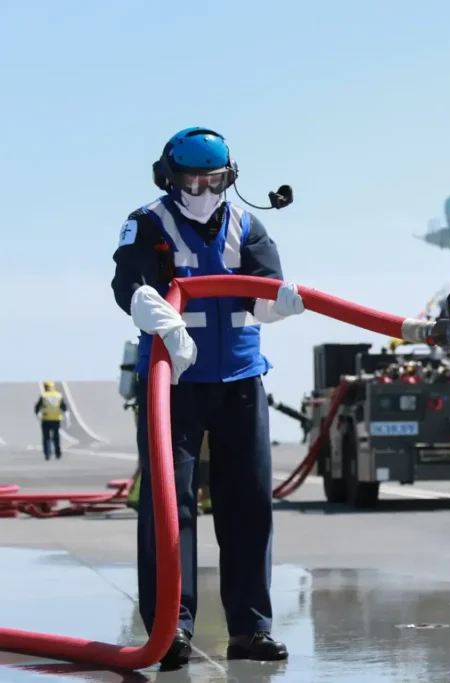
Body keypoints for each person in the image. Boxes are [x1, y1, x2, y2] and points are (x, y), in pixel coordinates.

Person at [110, 127, 304, 669]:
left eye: (212, 179)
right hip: (173, 385)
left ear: (229, 177)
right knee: (170, 510)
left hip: (241, 381)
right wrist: (151, 306)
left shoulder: (248, 223)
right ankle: (171, 626)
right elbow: (130, 282)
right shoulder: (148, 222)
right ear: (167, 177)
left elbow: (265, 288)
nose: (200, 189)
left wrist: (279, 303)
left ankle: (251, 628)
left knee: (249, 504)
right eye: (190, 179)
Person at [34, 381, 67, 461]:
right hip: (56, 419)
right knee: (56, 437)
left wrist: (38, 416)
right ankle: (58, 453)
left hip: (46, 420)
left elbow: (37, 408)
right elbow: (64, 408)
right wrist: (67, 419)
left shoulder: (44, 396)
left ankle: (47, 454)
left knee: (46, 438)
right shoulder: (58, 396)